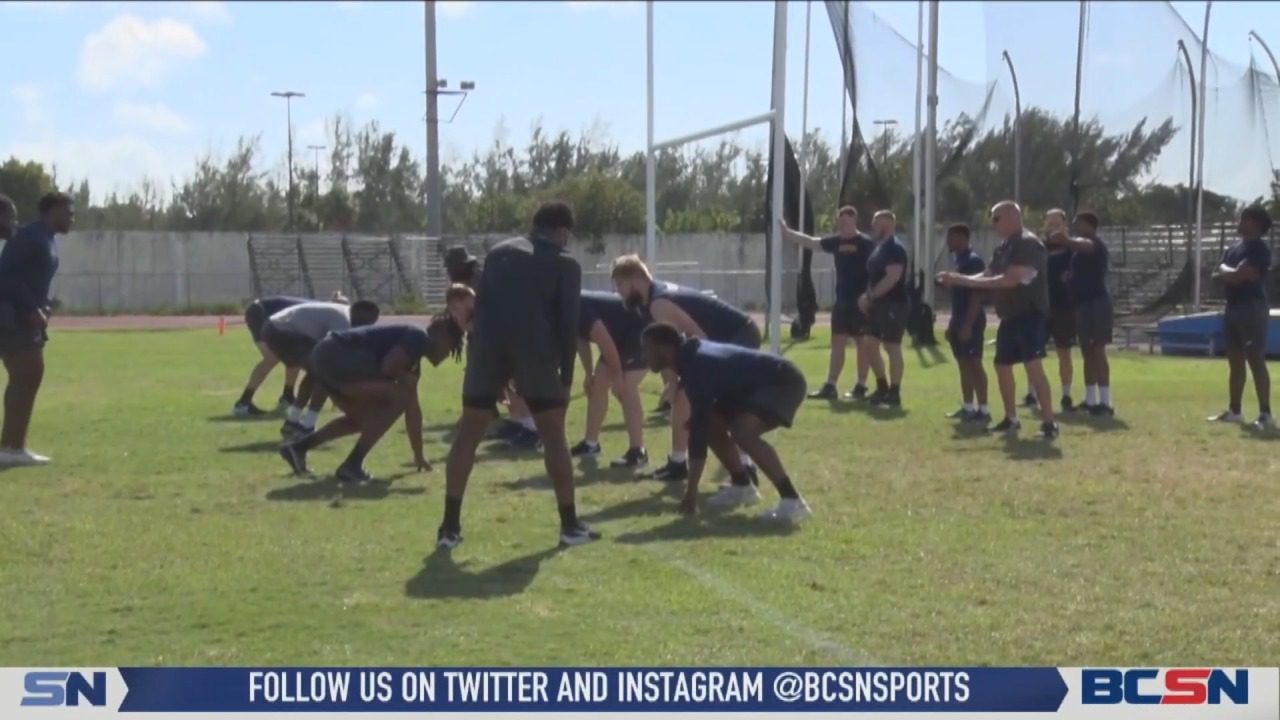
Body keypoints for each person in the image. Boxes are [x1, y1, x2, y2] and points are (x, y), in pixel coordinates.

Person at [439, 200, 600, 549]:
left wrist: (487, 361)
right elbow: (568, 323)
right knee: (554, 434)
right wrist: (567, 376)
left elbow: (481, 306)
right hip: (536, 349)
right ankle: (569, 525)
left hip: (486, 347)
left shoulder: (498, 253)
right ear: (561, 231)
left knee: (468, 433)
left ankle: (449, 527)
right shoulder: (565, 263)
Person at [610, 254, 762, 498]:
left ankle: (745, 468)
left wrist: (696, 373)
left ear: (637, 279)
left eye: (620, 285)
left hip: (737, 335)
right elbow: (672, 344)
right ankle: (679, 463)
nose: (618, 293)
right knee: (683, 399)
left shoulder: (658, 304)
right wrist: (674, 380)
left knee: (724, 406)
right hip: (728, 337)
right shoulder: (650, 301)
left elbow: (697, 334)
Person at [640, 322, 812, 522]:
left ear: (666, 349)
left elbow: (697, 438)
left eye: (646, 349)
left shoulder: (696, 365)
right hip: (754, 386)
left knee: (743, 432)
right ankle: (742, 486)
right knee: (710, 423)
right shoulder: (689, 359)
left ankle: (792, 500)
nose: (643, 356)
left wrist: (691, 493)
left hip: (783, 381)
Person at [279, 315, 464, 483]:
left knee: (362, 419)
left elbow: (413, 412)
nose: (448, 355)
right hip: (337, 354)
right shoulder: (418, 337)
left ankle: (299, 448)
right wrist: (404, 382)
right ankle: (352, 464)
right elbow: (388, 368)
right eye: (452, 347)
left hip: (325, 356)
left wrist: (419, 455)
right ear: (442, 334)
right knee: (400, 396)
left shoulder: (413, 358)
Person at [937, 200, 1060, 440]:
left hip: (1029, 314)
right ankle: (1011, 419)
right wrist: (957, 278)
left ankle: (1049, 423)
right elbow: (989, 274)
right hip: (1010, 316)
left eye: (996, 218)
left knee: (1033, 367)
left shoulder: (1028, 244)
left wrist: (962, 281)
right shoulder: (1004, 247)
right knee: (1002, 366)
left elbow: (1009, 280)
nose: (992, 224)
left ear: (1012, 217)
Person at [0, 192, 72, 466]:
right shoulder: (30, 237)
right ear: (50, 211)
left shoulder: (46, 239)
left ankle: (12, 447)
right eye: (68, 211)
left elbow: (29, 279)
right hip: (12, 315)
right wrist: (31, 308)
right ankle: (11, 448)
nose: (72, 217)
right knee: (27, 374)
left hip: (23, 314)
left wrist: (44, 304)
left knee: (26, 376)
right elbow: (6, 277)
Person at [779, 206, 876, 400]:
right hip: (842, 301)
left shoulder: (866, 243)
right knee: (837, 342)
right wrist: (787, 233)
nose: (842, 225)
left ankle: (861, 385)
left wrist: (869, 296)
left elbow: (875, 271)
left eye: (846, 221)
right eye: (840, 222)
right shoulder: (836, 241)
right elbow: (812, 242)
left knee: (861, 344)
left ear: (854, 221)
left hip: (861, 302)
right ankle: (830, 385)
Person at [268, 299, 382, 439]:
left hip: (275, 329)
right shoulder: (343, 320)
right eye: (368, 321)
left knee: (315, 372)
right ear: (359, 312)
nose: (368, 326)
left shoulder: (343, 313)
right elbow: (334, 350)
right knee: (327, 373)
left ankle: (293, 421)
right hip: (284, 332)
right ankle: (307, 426)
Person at [1207, 205, 1273, 428]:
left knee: (1255, 358)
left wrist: (1227, 272)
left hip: (1252, 308)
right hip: (1233, 306)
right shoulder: (1234, 248)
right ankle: (1235, 411)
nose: (1238, 221)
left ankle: (1265, 414)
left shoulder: (1259, 250)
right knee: (1235, 360)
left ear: (1253, 222)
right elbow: (1219, 275)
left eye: (1243, 218)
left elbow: (1238, 276)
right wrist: (1229, 273)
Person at [571, 290, 649, 468]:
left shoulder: (579, 306)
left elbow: (606, 344)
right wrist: (588, 373)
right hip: (619, 338)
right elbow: (581, 340)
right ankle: (591, 445)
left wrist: (618, 377)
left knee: (626, 389)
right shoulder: (567, 309)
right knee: (597, 385)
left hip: (640, 332)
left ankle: (638, 451)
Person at [1060, 211, 1115, 415]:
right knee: (1087, 352)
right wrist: (1069, 278)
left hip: (1097, 304)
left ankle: (1106, 402)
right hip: (1082, 304)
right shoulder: (1077, 252)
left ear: (1089, 225)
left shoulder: (1095, 244)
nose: (1075, 227)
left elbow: (1084, 246)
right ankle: (1090, 400)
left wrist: (1065, 240)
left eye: (1078, 224)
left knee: (1098, 351)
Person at [857, 210, 909, 407]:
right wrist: (866, 297)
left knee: (891, 346)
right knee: (869, 344)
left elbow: (892, 277)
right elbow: (874, 277)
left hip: (894, 303)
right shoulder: (879, 249)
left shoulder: (895, 248)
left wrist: (871, 296)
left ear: (887, 225)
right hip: (877, 305)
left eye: (876, 224)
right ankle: (882, 387)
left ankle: (895, 392)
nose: (873, 227)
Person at [942, 223, 990, 423]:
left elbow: (977, 296)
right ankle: (968, 407)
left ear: (963, 238)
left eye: (951, 237)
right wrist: (953, 323)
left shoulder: (973, 261)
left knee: (975, 363)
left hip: (972, 320)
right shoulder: (958, 260)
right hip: (959, 318)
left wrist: (968, 324)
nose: (948, 241)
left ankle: (984, 410)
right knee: (963, 363)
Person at [234, 294, 311, 417]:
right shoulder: (320, 311)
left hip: (267, 316)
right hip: (259, 312)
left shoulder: (320, 310)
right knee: (272, 358)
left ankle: (288, 396)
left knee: (294, 356)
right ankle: (243, 403)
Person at [1036, 209, 1076, 412]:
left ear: (1065, 226)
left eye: (1057, 224)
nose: (1052, 228)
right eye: (1049, 224)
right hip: (1040, 307)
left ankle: (1066, 395)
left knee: (1064, 352)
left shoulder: (1071, 249)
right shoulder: (1038, 248)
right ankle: (1032, 393)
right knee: (1033, 352)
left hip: (1063, 308)